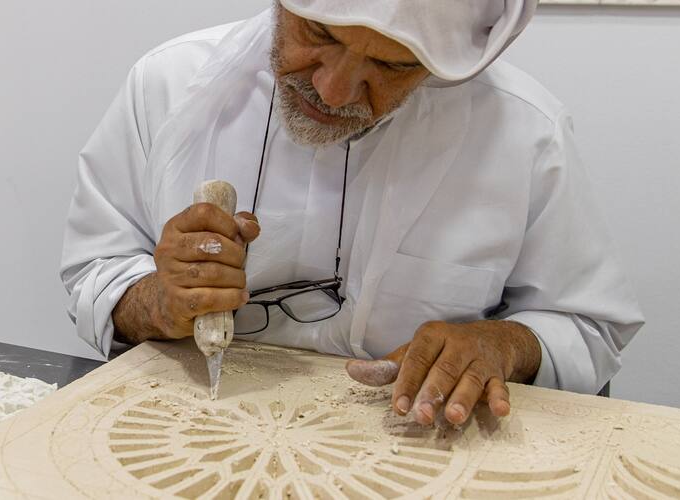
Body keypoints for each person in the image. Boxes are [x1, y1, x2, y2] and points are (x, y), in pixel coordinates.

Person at [60, 0, 644, 426]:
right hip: (198, 424)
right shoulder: (168, 85)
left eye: (393, 67)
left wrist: (502, 344)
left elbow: (590, 329)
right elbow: (96, 271)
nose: (334, 90)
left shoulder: (524, 131)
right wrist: (157, 301)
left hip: (416, 450)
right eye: (318, 33)